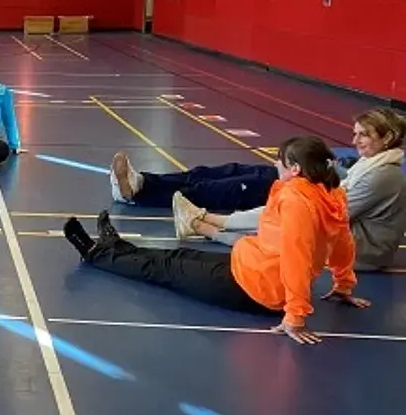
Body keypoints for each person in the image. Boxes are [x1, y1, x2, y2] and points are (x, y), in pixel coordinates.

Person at [62, 135, 372, 345]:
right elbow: (344, 242)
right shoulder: (331, 193)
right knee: (179, 257)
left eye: (279, 161)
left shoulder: (296, 200)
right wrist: (344, 284)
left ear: (294, 169)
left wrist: (295, 317)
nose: (274, 165)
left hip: (255, 289)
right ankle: (114, 248)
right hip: (252, 267)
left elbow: (297, 256)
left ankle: (96, 254)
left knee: (165, 268)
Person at [173, 108, 406, 271]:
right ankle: (205, 221)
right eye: (355, 133)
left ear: (388, 138)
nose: (354, 141)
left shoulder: (383, 176)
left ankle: (203, 224)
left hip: (363, 253)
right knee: (283, 213)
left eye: (363, 135)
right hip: (351, 238)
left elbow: (332, 214)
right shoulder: (373, 165)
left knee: (278, 230)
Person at [109, 152, 277, 210]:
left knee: (209, 190)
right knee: (204, 173)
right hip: (278, 175)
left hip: (278, 189)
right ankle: (142, 181)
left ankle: (137, 196)